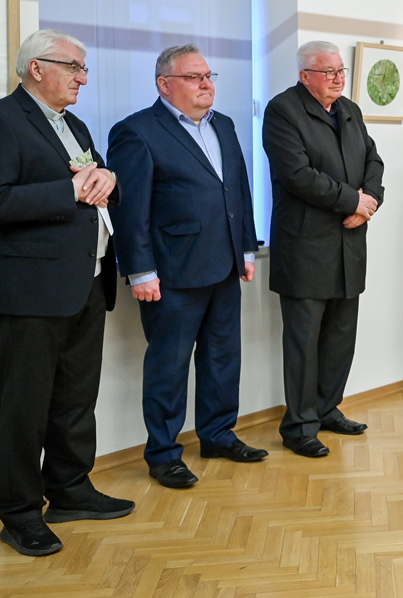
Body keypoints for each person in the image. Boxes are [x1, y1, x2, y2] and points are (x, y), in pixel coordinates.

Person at [0, 29, 133, 556]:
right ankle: (19, 515)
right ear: (37, 68)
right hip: (32, 290)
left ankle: (70, 490)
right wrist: (70, 189)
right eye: (73, 67)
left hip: (87, 281)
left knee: (76, 400)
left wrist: (108, 180)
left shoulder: (74, 124)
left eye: (84, 69)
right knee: (26, 407)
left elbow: (96, 184)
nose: (83, 78)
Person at [107, 45, 264, 490]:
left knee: (222, 358)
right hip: (172, 273)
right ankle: (163, 454)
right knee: (169, 368)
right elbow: (129, 209)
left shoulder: (224, 124)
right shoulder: (136, 131)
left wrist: (246, 249)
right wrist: (140, 270)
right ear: (164, 84)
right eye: (194, 77)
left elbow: (238, 190)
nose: (206, 84)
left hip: (225, 265)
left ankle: (218, 434)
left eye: (208, 75)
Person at [263, 40, 384, 457]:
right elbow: (297, 174)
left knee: (339, 338)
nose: (337, 78)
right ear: (305, 76)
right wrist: (353, 202)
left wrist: (369, 202)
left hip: (349, 242)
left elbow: (373, 161)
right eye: (328, 72)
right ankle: (299, 426)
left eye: (340, 71)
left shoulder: (349, 109)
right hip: (306, 247)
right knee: (304, 342)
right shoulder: (283, 111)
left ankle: (328, 409)